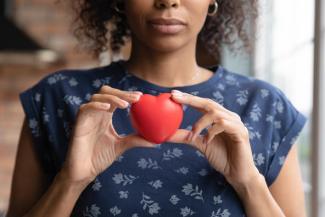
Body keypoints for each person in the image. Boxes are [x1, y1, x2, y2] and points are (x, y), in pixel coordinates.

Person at [6, 0, 307, 216]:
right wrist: (70, 182)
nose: (168, 2)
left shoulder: (266, 105)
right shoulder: (59, 97)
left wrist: (248, 183)